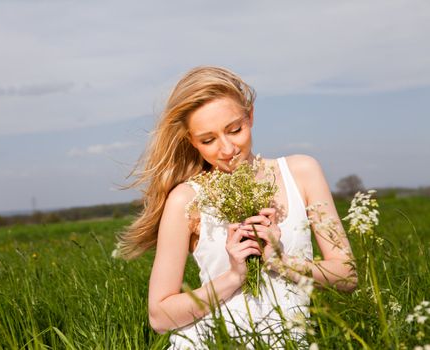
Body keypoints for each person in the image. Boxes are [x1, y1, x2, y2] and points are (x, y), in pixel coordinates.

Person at [118, 66, 357, 348]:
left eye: (235, 130)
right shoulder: (185, 199)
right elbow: (159, 317)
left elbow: (347, 276)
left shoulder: (302, 172)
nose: (227, 149)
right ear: (191, 141)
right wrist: (234, 276)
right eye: (208, 140)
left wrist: (282, 262)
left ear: (250, 116)